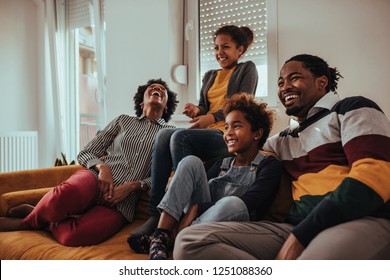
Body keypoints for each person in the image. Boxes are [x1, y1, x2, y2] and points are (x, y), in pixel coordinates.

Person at [173, 54, 390, 260]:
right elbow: (241, 152)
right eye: (280, 83)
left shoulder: (352, 108)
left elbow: (375, 175)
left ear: (322, 82)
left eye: (294, 78)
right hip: (292, 228)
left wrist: (303, 234)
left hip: (359, 218)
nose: (284, 87)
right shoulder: (282, 140)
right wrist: (186, 175)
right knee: (189, 241)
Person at [0, 78, 178, 247]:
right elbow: (86, 152)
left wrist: (132, 187)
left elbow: (165, 176)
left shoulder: (171, 133)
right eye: (152, 87)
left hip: (122, 201)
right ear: (141, 101)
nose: (158, 89)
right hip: (94, 178)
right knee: (64, 194)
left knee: (74, 236)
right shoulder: (122, 121)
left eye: (163, 89)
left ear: (167, 105)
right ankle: (27, 222)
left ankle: (35, 218)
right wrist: (103, 168)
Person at [132, 25, 259, 236]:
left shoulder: (247, 69)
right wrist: (196, 110)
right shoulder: (209, 75)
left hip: (227, 136)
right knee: (164, 135)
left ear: (240, 49)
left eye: (226, 47)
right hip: (209, 133)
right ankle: (156, 214)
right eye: (217, 47)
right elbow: (204, 106)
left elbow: (241, 104)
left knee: (181, 136)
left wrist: (211, 117)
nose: (220, 52)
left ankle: (181, 212)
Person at [128, 93, 282, 260]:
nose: (228, 133)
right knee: (190, 161)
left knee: (233, 203)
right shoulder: (222, 163)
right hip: (199, 220)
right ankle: (160, 237)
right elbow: (191, 189)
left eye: (236, 126)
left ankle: (178, 238)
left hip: (234, 226)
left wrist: (197, 208)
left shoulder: (269, 165)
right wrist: (182, 189)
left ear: (257, 134)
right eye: (226, 127)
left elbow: (250, 202)